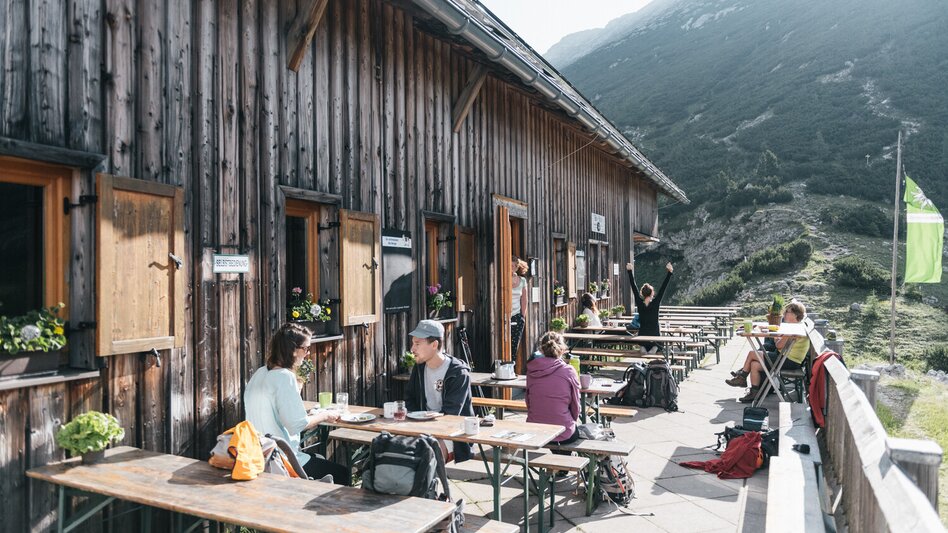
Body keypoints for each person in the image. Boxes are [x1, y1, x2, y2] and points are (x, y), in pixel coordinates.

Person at [244, 322, 351, 484]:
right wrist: (325, 415)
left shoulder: (259, 374)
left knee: (318, 458)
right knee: (342, 473)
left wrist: (310, 414)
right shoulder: (284, 377)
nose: (308, 353)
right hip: (280, 459)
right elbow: (296, 425)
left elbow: (276, 416)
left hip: (257, 453)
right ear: (293, 350)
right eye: (306, 348)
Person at [405, 319, 475, 462]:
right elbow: (409, 398)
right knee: (392, 448)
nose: (412, 349)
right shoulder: (420, 368)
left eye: (417, 344)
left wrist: (423, 424)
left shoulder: (458, 373)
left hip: (453, 433)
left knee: (427, 457)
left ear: (434, 344)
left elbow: (451, 415)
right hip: (421, 428)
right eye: (413, 343)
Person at [727, 301, 810, 403]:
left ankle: (742, 377)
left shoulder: (793, 329)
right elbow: (781, 340)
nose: (784, 314)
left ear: (795, 314)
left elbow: (779, 345)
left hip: (789, 361)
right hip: (789, 359)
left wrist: (775, 337)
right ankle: (754, 393)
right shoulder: (796, 326)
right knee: (754, 364)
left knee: (752, 354)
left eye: (787, 312)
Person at [525, 331, 581, 448]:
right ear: (563, 349)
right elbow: (576, 406)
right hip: (563, 431)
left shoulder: (532, 370)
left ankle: (556, 465)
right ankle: (563, 466)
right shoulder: (568, 371)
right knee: (574, 435)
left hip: (534, 430)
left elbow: (529, 403)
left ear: (541, 349)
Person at [626, 261, 674, 353]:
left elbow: (633, 286)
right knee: (658, 344)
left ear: (642, 293)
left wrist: (629, 271)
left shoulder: (640, 303)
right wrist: (669, 273)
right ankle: (654, 349)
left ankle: (643, 349)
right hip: (655, 336)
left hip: (643, 336)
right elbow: (663, 288)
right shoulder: (656, 303)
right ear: (652, 293)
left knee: (642, 345)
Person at [510, 257, 529, 361]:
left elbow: (524, 300)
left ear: (516, 267)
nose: (510, 268)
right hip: (505, 316)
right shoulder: (503, 278)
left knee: (514, 345)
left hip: (517, 316)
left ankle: (510, 369)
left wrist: (522, 316)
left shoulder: (522, 281)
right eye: (508, 266)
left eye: (512, 266)